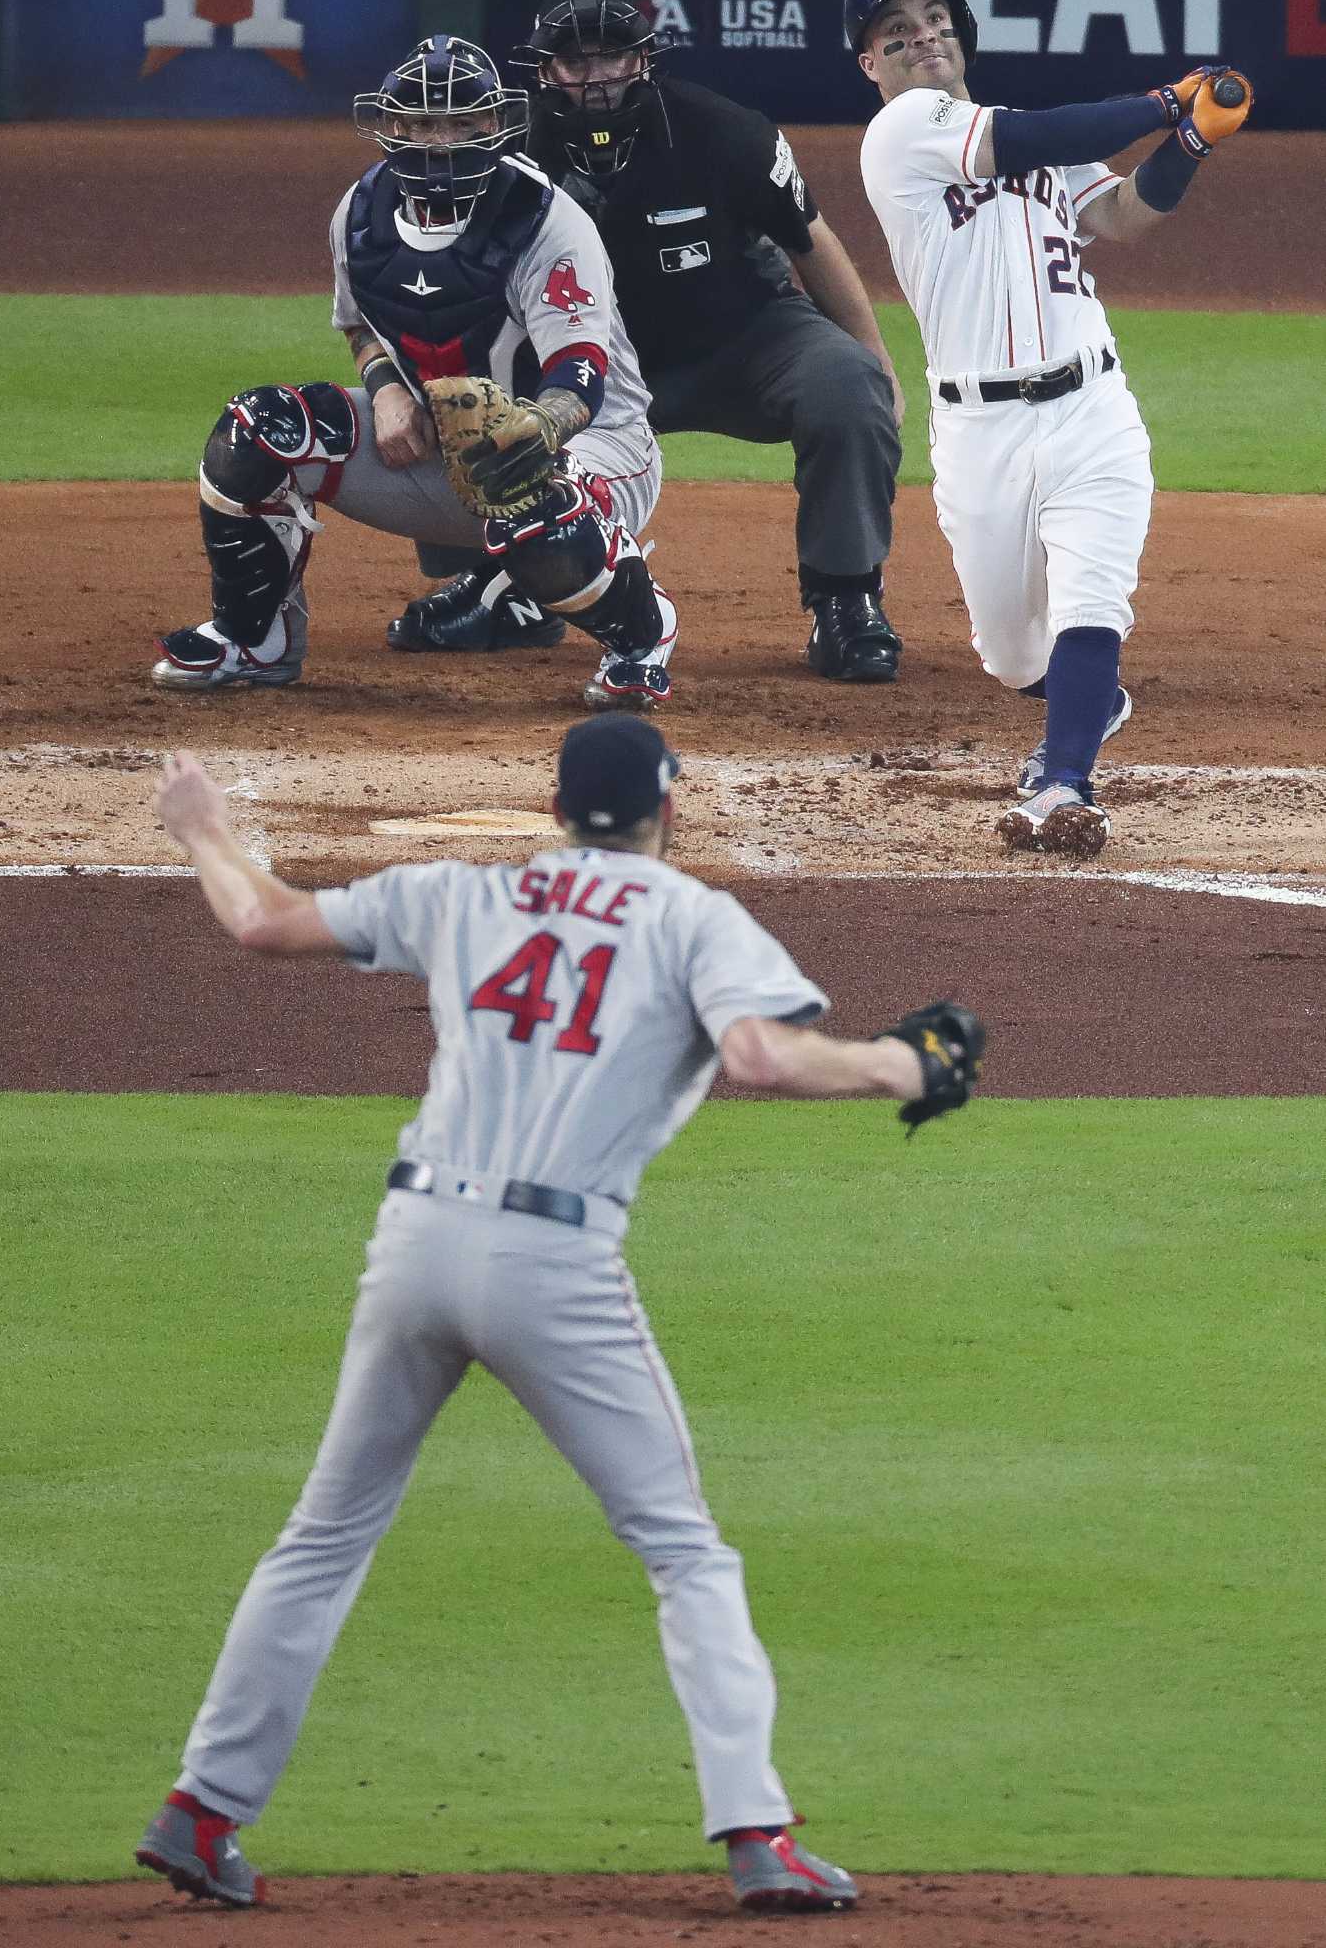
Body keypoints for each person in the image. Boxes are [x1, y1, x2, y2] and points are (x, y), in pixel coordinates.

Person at [133, 716, 984, 1916]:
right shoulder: (693, 917)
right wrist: (906, 1063)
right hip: (555, 1258)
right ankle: (758, 1832)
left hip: (415, 1242)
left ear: (551, 808)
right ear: (669, 810)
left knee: (323, 1534)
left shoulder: (460, 893)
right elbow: (762, 1054)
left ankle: (200, 1806)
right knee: (684, 1547)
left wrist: (204, 826)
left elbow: (264, 920)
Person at [850, 0, 1253, 857]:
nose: (922, 37)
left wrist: (1189, 144)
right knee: (1009, 656)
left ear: (958, 34)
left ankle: (1065, 783)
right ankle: (1087, 701)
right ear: (870, 64)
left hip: (1090, 407)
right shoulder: (904, 131)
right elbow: (1024, 143)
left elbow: (1122, 218)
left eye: (935, 19)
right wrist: (1167, 102)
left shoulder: (1028, 140)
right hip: (977, 429)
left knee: (1089, 600)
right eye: (896, 32)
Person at [151, 34, 678, 712]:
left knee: (524, 489)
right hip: (439, 451)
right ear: (391, 127)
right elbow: (360, 325)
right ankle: (255, 639)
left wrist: (528, 431)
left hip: (593, 448)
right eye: (424, 123)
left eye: (463, 122)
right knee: (258, 428)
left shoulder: (545, 222)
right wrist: (387, 389)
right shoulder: (361, 215)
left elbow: (580, 375)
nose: (442, 141)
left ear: (497, 125)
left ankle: (640, 634)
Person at [406, 0, 906, 685]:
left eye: (613, 55)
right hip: (586, 368)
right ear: (545, 71)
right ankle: (509, 588)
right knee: (466, 402)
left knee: (847, 385)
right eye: (576, 61)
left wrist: (875, 355)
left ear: (643, 59)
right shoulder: (505, 149)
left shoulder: (722, 128)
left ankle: (846, 601)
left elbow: (809, 238)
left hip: (741, 338)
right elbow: (447, 278)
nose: (597, 76)